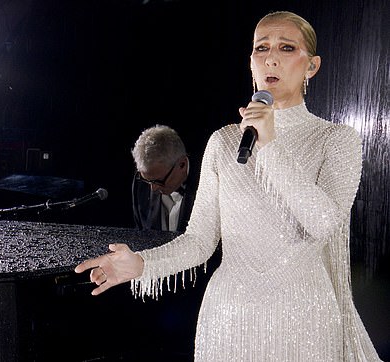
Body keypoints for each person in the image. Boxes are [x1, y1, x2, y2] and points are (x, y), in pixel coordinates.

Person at [75, 10, 382, 361]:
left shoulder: (336, 139)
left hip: (305, 320)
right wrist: (141, 265)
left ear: (311, 66)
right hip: (228, 319)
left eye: (286, 48)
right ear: (251, 61)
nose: (271, 57)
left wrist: (270, 146)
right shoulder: (223, 142)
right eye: (261, 48)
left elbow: (325, 222)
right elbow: (200, 241)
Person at [131, 124, 195, 233]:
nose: (153, 188)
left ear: (182, 164)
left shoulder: (210, 185)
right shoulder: (141, 185)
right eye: (147, 180)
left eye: (158, 181)